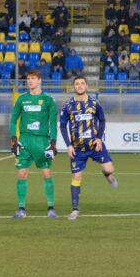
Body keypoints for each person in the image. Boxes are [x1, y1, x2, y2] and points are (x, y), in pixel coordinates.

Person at [59, 76, 118, 220]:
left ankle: (107, 175)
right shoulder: (67, 106)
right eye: (77, 84)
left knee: (109, 169)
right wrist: (68, 145)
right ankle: (75, 210)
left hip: (94, 145)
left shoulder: (94, 103)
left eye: (82, 83)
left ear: (87, 86)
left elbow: (102, 120)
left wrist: (99, 138)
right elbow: (62, 125)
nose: (79, 86)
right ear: (73, 87)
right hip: (77, 149)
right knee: (76, 176)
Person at [10, 71, 58, 219]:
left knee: (46, 173)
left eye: (33, 79)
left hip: (41, 141)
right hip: (24, 140)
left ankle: (51, 208)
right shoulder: (21, 99)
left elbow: (52, 123)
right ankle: (21, 209)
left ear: (40, 81)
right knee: (22, 174)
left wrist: (53, 143)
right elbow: (13, 121)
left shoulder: (48, 99)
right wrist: (13, 140)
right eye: (28, 78)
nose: (30, 81)